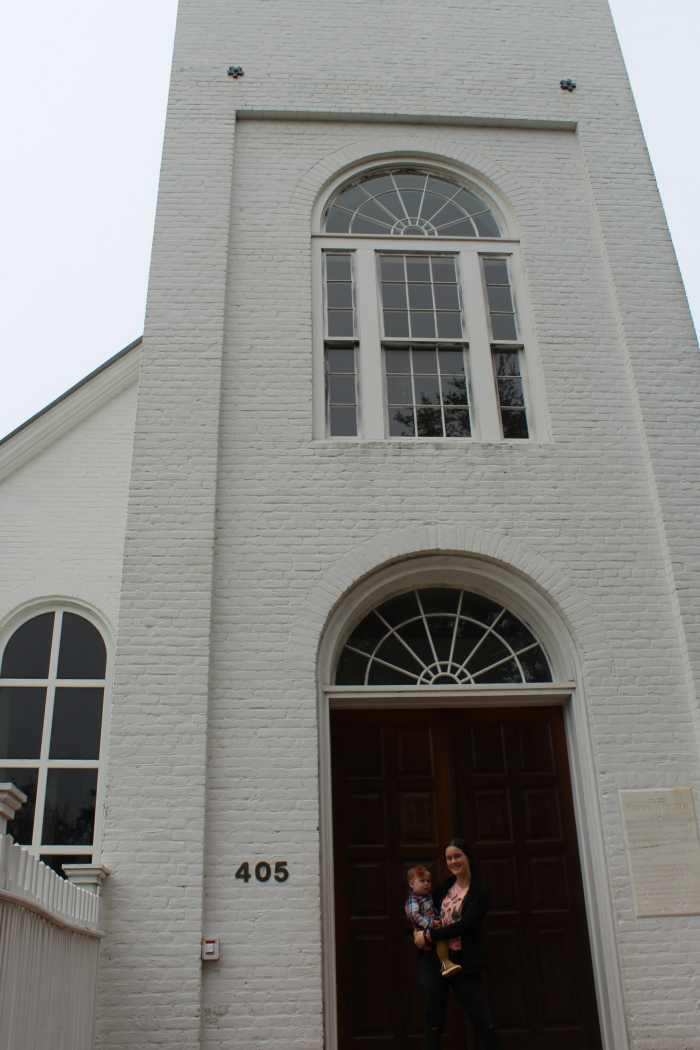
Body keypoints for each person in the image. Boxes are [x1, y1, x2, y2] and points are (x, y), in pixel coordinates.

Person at [412, 838, 500, 1050]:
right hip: (436, 960)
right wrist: (416, 933)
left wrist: (430, 935)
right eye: (449, 858)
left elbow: (465, 925)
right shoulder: (445, 888)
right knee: (434, 1019)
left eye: (457, 856)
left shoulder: (479, 891)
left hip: (463, 962)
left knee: (481, 1018)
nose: (453, 861)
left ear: (467, 857)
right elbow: (423, 910)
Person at [404, 865, 462, 977]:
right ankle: (446, 963)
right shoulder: (413, 900)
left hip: (432, 925)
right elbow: (414, 915)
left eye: (428, 881)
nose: (426, 884)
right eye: (422, 881)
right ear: (411, 884)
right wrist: (431, 923)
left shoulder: (427, 897)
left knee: (442, 939)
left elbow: (433, 909)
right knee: (440, 940)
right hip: (424, 929)